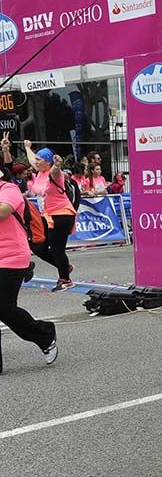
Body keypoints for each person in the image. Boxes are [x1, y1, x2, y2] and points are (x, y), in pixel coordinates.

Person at [0, 165, 58, 373]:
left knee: (4, 307)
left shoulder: (9, 189)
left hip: (10, 256)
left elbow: (3, 211)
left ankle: (45, 334)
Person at [24, 140, 76, 291]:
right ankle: (65, 267)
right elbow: (31, 158)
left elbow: (55, 171)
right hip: (47, 216)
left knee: (57, 249)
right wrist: (28, 147)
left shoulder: (54, 174)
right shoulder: (40, 172)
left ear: (47, 162)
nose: (36, 162)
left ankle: (65, 279)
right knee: (38, 246)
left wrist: (58, 164)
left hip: (61, 215)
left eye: (39, 160)